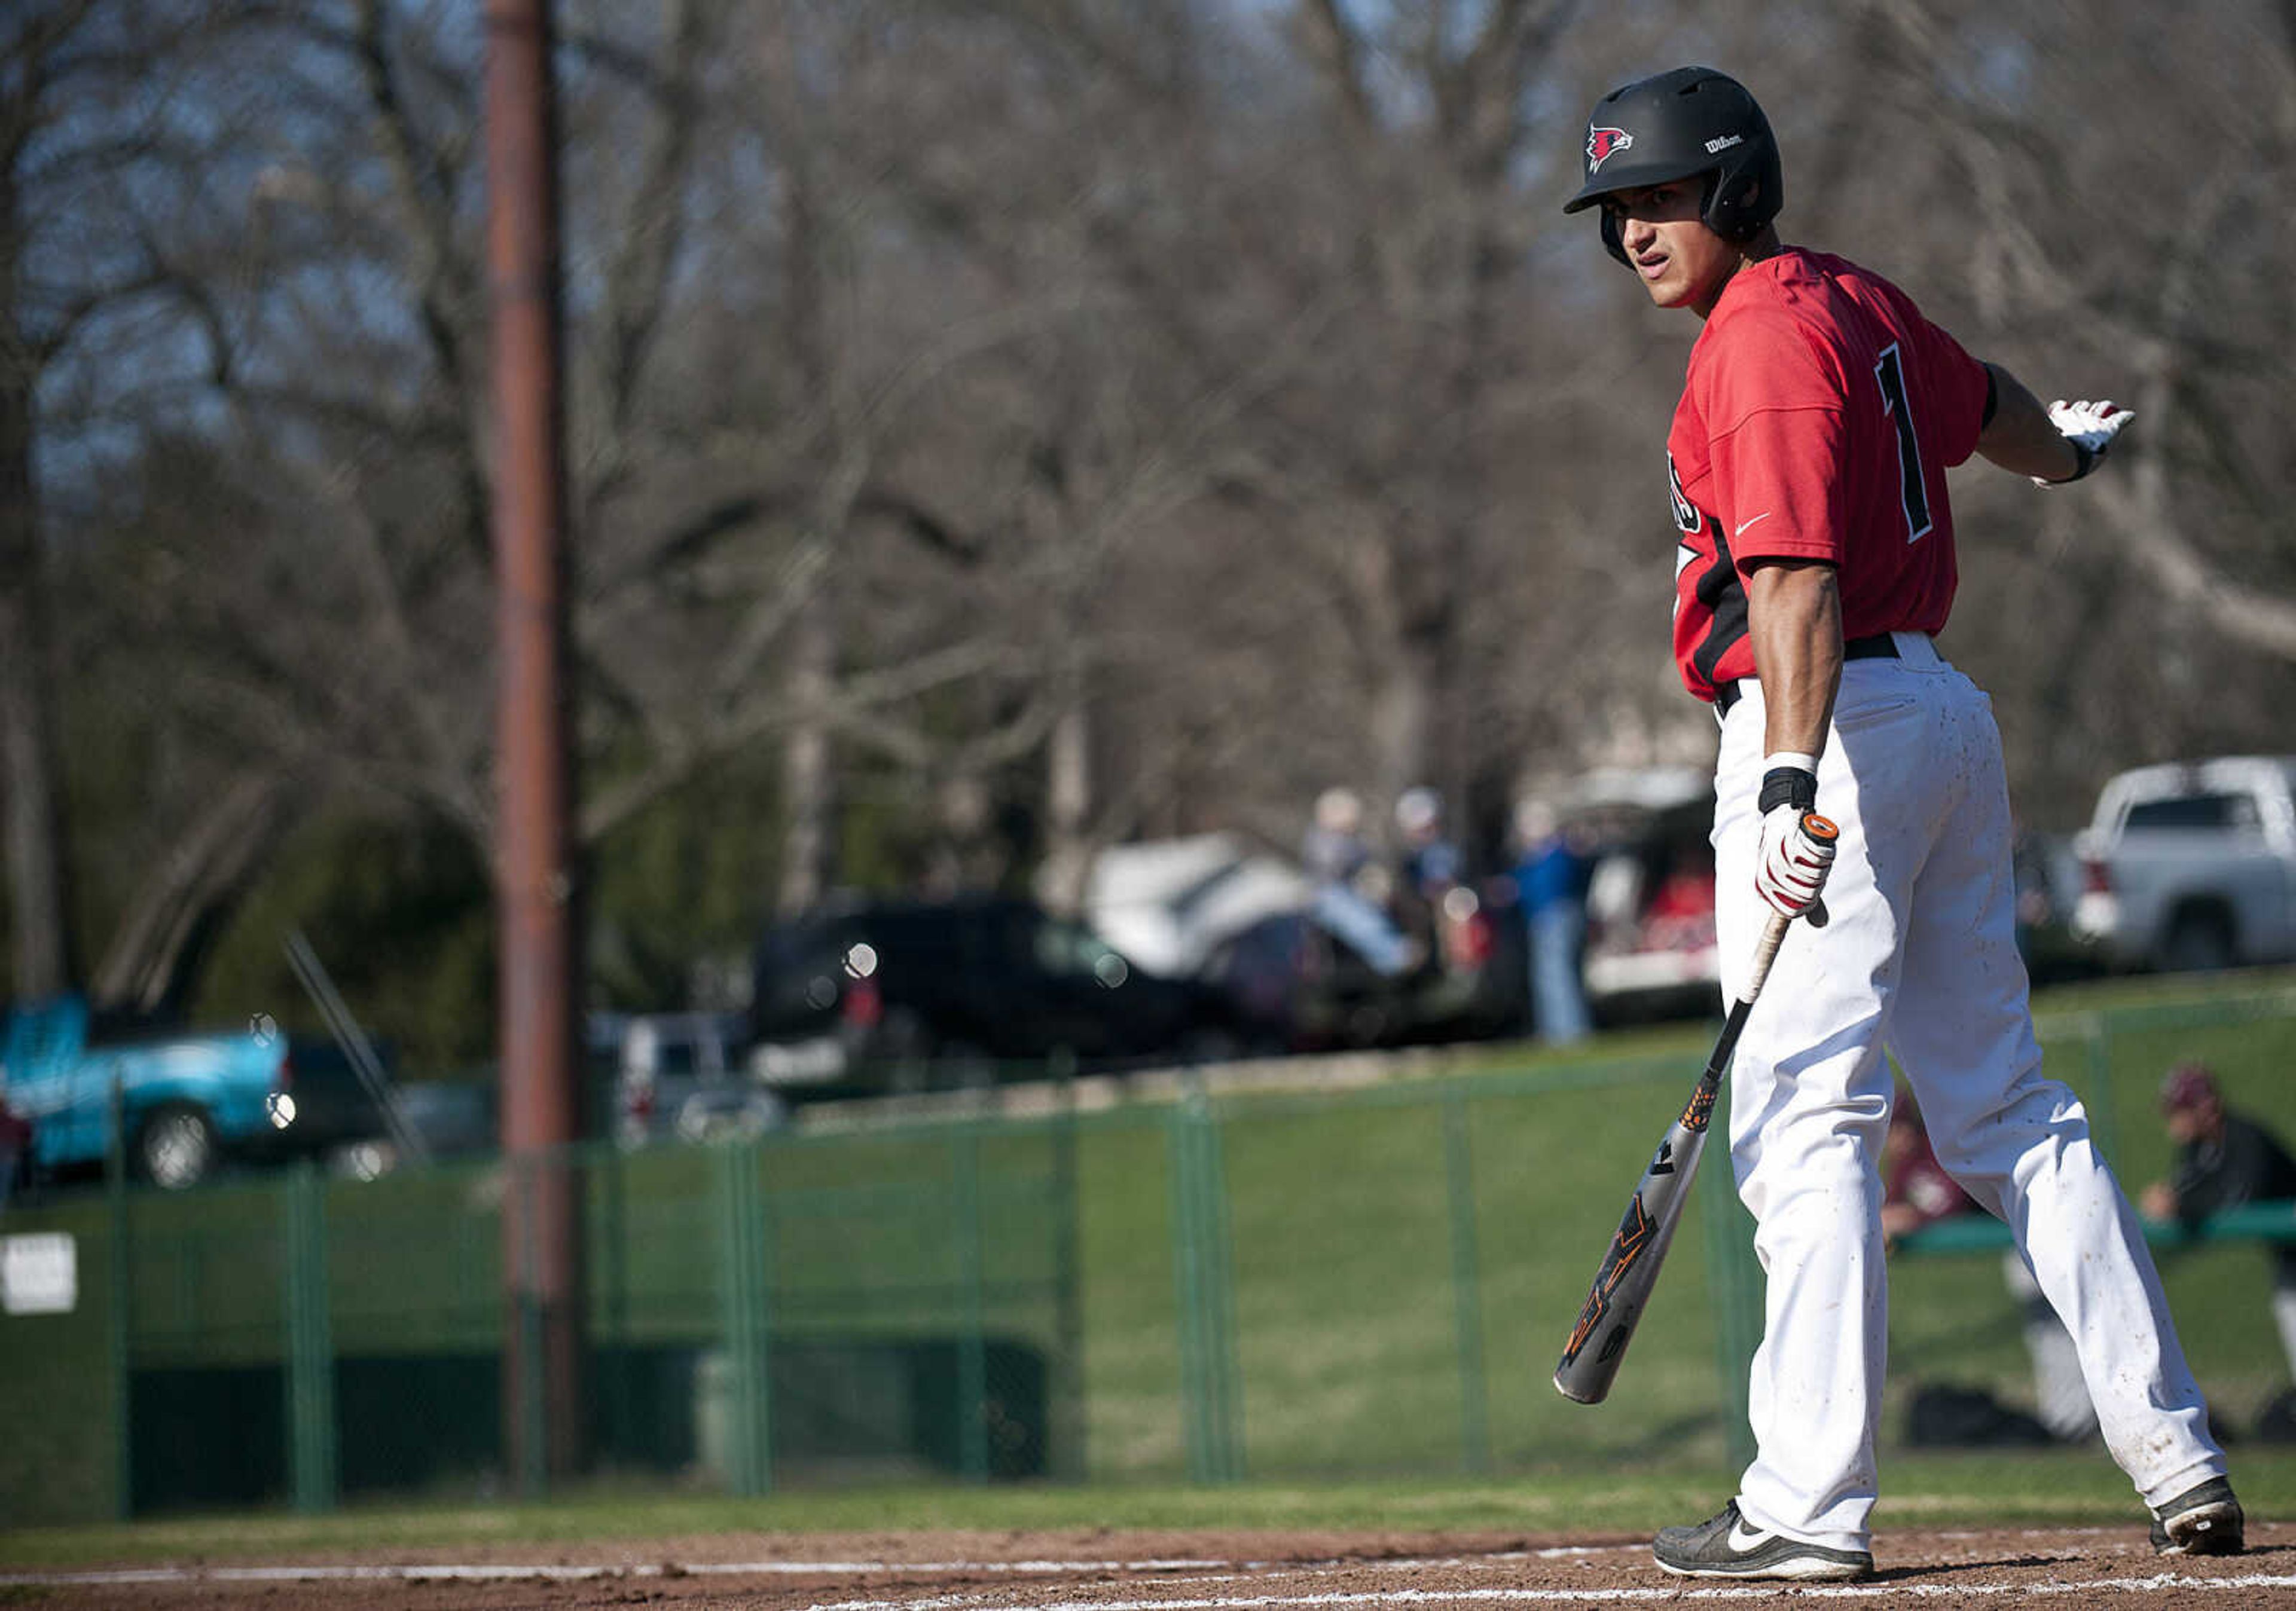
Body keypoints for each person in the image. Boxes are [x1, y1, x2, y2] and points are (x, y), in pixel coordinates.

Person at [1561, 66, 2237, 1580]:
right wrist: (2065, 456)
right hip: (1932, 719)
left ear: (1737, 189)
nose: (1633, 232)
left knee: (1804, 1120)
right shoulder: (1849, 299)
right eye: (1614, 210)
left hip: (1833, 730)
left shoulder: (1753, 345)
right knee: (2005, 1107)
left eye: (1660, 197)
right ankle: (2174, 1448)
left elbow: (1790, 579)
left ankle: (1805, 1506)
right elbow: (1981, 402)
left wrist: (1790, 784)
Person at [2142, 1063, 2296, 1381]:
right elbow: (2186, 1186)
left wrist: (2180, 1205)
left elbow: (2242, 1196)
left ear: (2207, 1106)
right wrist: (2168, 1198)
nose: (2173, 1118)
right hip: (2288, 1262)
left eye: (2180, 1109)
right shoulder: (2199, 1147)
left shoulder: (2245, 1136)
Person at [1513, 799, 1592, 1044]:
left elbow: (1542, 889)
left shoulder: (1554, 854)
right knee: (1556, 977)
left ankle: (1568, 1033)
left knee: (1556, 978)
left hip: (1554, 920)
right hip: (1557, 919)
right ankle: (1560, 1030)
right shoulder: (1548, 855)